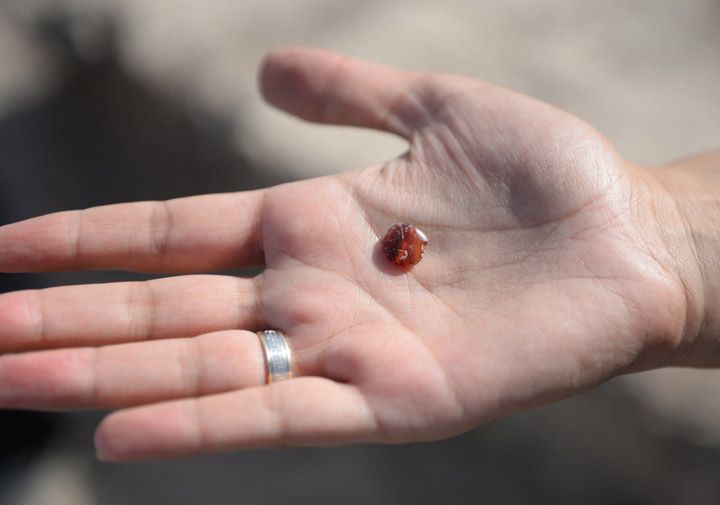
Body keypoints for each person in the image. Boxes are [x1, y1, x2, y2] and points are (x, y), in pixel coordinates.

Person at [0, 47, 716, 461]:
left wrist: (664, 237)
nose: (406, 243)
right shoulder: (402, 241)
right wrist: (666, 238)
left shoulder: (407, 242)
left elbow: (405, 245)